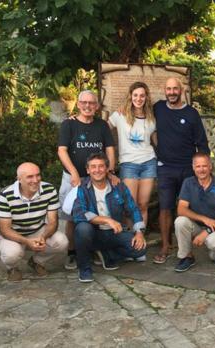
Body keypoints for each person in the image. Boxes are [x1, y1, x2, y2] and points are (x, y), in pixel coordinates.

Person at [57, 90, 116, 270]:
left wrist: (110, 171)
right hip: (73, 178)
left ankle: (91, 250)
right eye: (84, 102)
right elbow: (62, 150)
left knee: (96, 214)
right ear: (79, 104)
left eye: (92, 103)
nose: (88, 106)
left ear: (97, 106)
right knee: (72, 217)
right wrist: (74, 172)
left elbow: (110, 150)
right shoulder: (69, 124)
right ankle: (72, 253)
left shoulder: (102, 126)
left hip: (97, 177)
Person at [153, 77, 210, 264]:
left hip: (187, 169)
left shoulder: (192, 113)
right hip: (165, 168)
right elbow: (134, 110)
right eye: (168, 89)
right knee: (165, 207)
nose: (171, 92)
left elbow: (202, 143)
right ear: (164, 90)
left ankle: (187, 248)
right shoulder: (158, 108)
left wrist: (202, 168)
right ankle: (165, 246)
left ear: (181, 90)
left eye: (175, 89)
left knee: (187, 209)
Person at [72, 152, 147, 283]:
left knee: (140, 250)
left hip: (114, 232)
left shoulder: (118, 186)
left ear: (107, 169)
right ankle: (85, 268)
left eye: (101, 166)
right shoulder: (82, 187)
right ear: (88, 170)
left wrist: (139, 232)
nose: (97, 170)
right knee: (82, 228)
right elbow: (80, 214)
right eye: (93, 167)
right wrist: (106, 220)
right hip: (93, 233)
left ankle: (107, 254)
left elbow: (133, 208)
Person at [0, 162, 68, 281]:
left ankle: (36, 262)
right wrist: (27, 241)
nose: (35, 180)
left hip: (38, 230)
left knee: (61, 242)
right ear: (19, 179)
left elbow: (53, 222)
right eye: (30, 176)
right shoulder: (6, 195)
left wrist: (43, 238)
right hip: (13, 233)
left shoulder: (49, 189)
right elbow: (5, 229)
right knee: (11, 254)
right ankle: (12, 268)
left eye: (38, 175)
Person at [108, 82, 157, 229]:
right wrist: (79, 120)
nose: (139, 98)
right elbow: (102, 128)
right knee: (131, 205)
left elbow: (156, 140)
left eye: (142, 95)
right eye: (135, 95)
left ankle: (140, 238)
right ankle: (130, 240)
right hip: (128, 164)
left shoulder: (151, 118)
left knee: (143, 204)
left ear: (146, 97)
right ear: (131, 96)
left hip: (148, 163)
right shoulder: (120, 115)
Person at [174, 153, 215, 272]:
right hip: (196, 225)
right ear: (193, 167)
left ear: (210, 166)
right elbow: (181, 209)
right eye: (198, 166)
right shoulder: (188, 183)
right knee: (180, 221)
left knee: (214, 243)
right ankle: (186, 256)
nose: (201, 169)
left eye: (204, 166)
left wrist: (207, 231)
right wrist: (204, 219)